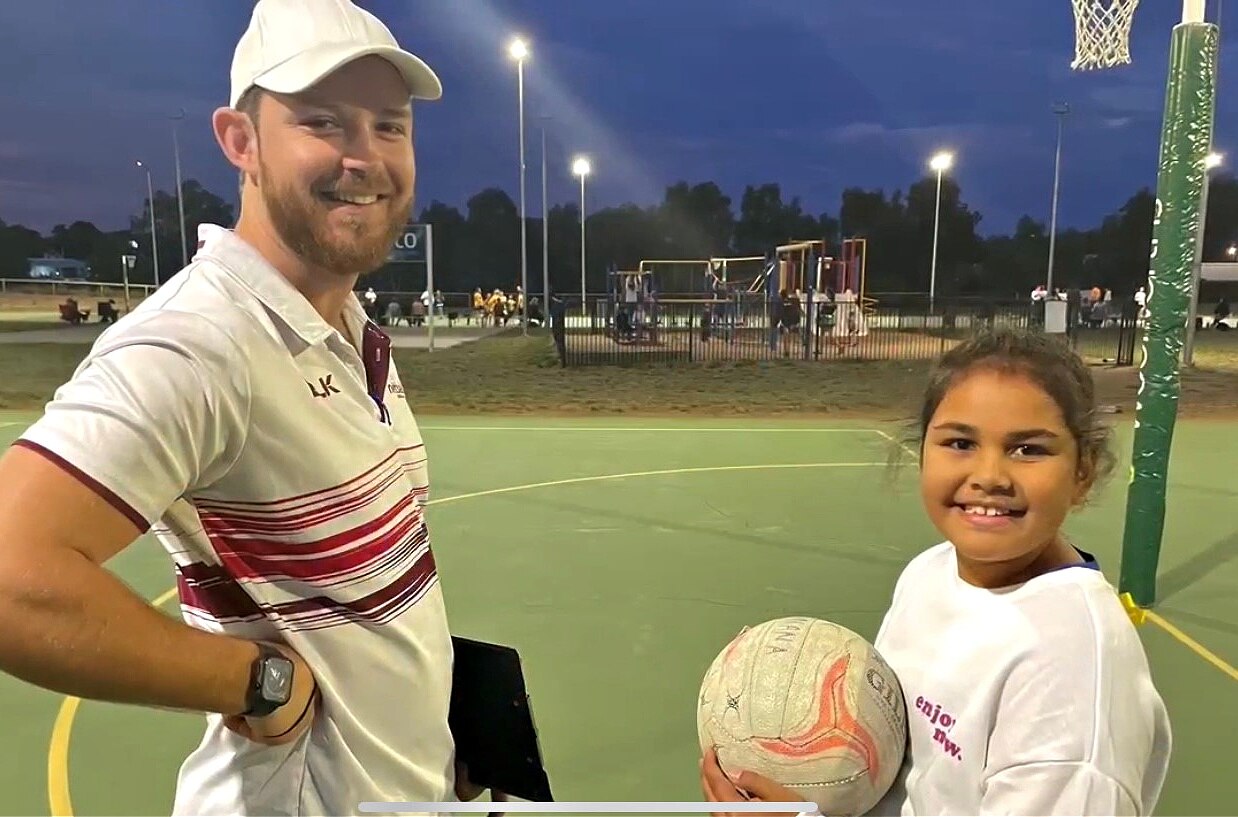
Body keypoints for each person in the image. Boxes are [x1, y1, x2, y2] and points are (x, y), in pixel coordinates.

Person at [0, 0, 485, 813]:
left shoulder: (340, 327)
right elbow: (12, 572)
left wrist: (429, 737)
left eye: (389, 126)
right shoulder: (200, 343)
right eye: (323, 121)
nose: (363, 156)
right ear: (241, 141)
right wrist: (250, 681)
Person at [701, 326, 1171, 816]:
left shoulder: (1072, 684)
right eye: (960, 443)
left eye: (1029, 449)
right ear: (921, 450)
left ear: (1083, 471)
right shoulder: (930, 571)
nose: (989, 476)